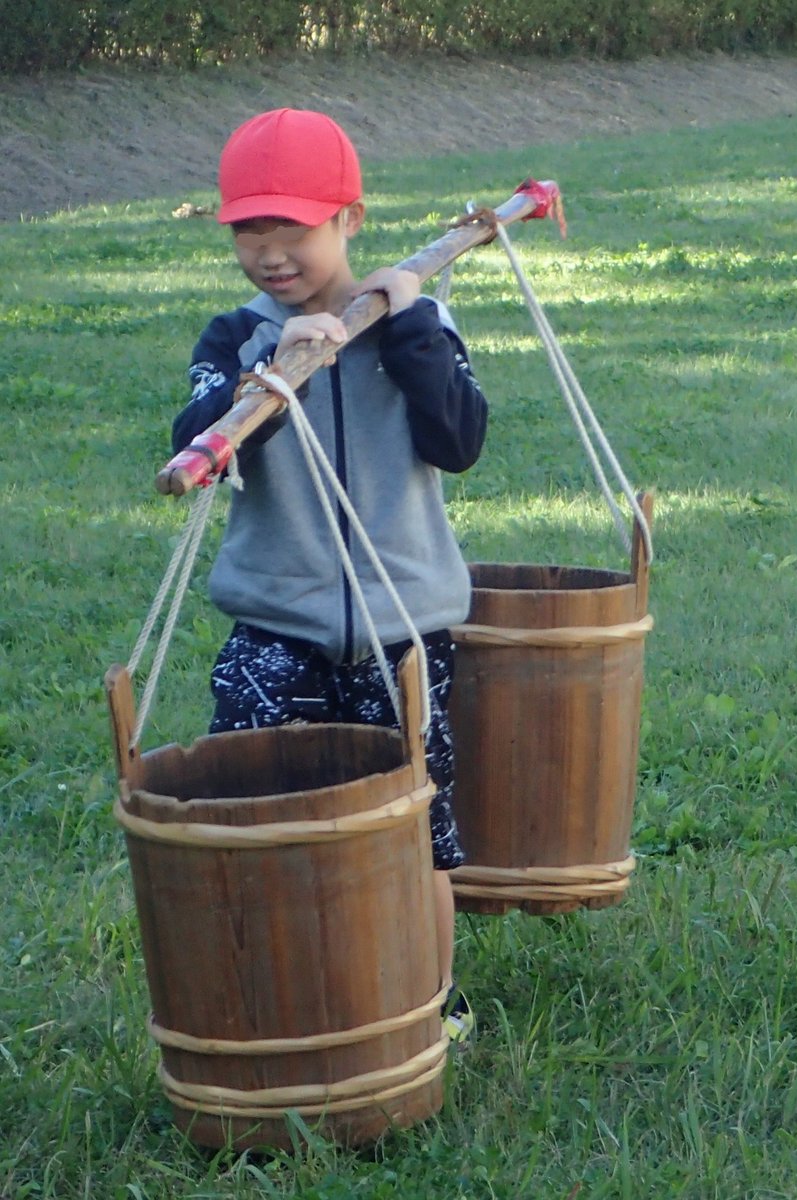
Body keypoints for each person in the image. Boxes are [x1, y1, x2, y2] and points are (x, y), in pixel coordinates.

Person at [171, 108, 484, 1043]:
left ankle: (430, 1002)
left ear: (349, 217)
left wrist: (409, 324)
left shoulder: (417, 320)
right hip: (275, 629)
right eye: (247, 229)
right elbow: (195, 450)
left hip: (406, 631)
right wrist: (270, 368)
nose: (270, 251)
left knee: (414, 826)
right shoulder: (233, 338)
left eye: (293, 227)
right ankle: (283, 993)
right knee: (263, 821)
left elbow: (458, 440)